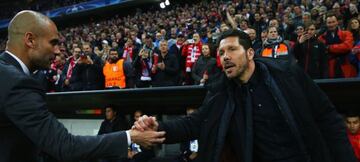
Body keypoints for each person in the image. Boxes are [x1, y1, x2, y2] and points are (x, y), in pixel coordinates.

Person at [134, 29, 357, 162]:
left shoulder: (288, 74)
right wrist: (158, 128)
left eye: (232, 50)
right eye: (221, 53)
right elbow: (195, 123)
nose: (225, 57)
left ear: (250, 53)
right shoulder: (220, 91)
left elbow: (327, 117)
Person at [0, 10, 165, 162]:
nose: (58, 51)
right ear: (30, 40)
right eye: (53, 43)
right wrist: (131, 136)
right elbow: (65, 146)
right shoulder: (17, 83)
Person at [318, 13, 357, 78]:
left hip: (346, 66)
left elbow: (347, 47)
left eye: (333, 22)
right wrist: (340, 48)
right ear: (326, 24)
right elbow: (322, 52)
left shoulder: (347, 33)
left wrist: (329, 48)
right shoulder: (321, 38)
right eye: (329, 22)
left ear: (337, 22)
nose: (331, 24)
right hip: (329, 68)